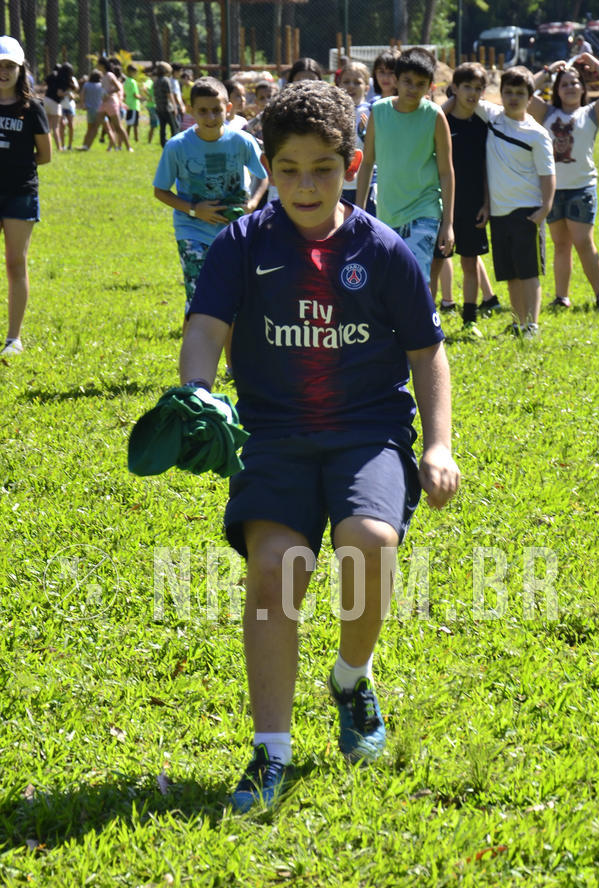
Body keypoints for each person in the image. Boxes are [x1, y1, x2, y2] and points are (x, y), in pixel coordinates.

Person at [179, 80, 460, 812]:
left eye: (324, 168)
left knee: (368, 541)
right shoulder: (243, 244)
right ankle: (269, 755)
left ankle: (350, 679)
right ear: (265, 168)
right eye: (290, 169)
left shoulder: (382, 248)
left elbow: (429, 352)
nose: (307, 185)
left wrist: (438, 445)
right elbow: (206, 326)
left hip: (368, 432)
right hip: (274, 435)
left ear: (352, 162)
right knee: (275, 569)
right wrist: (199, 390)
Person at [446, 66, 555, 336]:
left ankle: (532, 325)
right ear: (500, 94)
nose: (514, 98)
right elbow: (456, 99)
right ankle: (518, 323)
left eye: (520, 93)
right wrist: (436, 111)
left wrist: (545, 208)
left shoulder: (537, 134)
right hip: (498, 212)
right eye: (508, 92)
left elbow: (548, 175)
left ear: (531, 98)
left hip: (527, 211)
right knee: (510, 272)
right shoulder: (492, 115)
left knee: (529, 271)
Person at [153, 76, 268, 318]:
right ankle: (195, 355)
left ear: (228, 109)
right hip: (192, 231)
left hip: (234, 231)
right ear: (190, 110)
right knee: (198, 300)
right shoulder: (177, 146)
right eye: (203, 111)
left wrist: (254, 202)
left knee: (236, 301)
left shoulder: (241, 141)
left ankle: (234, 357)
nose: (210, 117)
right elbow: (160, 191)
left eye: (216, 110)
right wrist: (195, 209)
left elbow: (264, 174)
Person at [356, 47, 454, 281]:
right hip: (387, 213)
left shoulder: (435, 115)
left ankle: (423, 318)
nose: (413, 88)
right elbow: (367, 162)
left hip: (425, 210)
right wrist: (358, 213)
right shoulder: (378, 112)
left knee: (416, 277)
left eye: (420, 84)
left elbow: (446, 172)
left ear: (430, 85)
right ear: (396, 80)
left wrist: (448, 223)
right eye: (407, 81)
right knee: (391, 279)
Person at [529, 56, 599, 310]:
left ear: (584, 87)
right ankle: (561, 297)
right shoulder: (547, 113)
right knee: (561, 245)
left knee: (583, 243)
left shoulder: (591, 113)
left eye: (575, 83)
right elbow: (525, 90)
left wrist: (594, 62)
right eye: (564, 84)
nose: (570, 87)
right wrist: (548, 71)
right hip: (554, 190)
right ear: (556, 90)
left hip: (581, 189)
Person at [430, 63, 491, 334]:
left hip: (473, 203)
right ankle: (427, 319)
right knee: (436, 262)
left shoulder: (483, 124)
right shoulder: (441, 119)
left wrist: (487, 203)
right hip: (441, 203)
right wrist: (447, 105)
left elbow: (488, 168)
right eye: (466, 87)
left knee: (470, 262)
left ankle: (470, 319)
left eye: (478, 88)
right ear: (454, 88)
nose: (472, 93)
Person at [0, 36, 51, 356]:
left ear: (21, 70)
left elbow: (44, 155)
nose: (3, 72)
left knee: (15, 263)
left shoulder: (32, 108)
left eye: (9, 66)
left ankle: (12, 338)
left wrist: (15, 164)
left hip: (20, 194)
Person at [338, 60, 375, 213]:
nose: (351, 86)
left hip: (366, 184)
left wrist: (363, 134)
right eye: (346, 81)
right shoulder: (334, 111)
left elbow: (375, 149)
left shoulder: (371, 111)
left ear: (366, 88)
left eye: (357, 82)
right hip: (339, 184)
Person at [97, 56, 133, 152]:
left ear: (102, 65)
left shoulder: (109, 75)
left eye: (98, 64)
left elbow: (118, 87)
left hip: (111, 102)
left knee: (118, 127)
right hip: (104, 102)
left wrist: (107, 93)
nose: (97, 66)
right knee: (99, 121)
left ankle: (128, 147)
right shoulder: (103, 76)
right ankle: (111, 143)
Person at [154, 61, 178, 147]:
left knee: (162, 127)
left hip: (159, 108)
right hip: (168, 108)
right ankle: (174, 143)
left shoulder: (156, 81)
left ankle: (163, 143)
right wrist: (175, 107)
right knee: (174, 126)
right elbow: (169, 95)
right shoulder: (166, 80)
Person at [123, 64, 142, 142]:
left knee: (129, 124)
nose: (136, 74)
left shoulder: (126, 81)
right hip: (134, 106)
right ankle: (136, 139)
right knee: (135, 125)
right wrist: (142, 97)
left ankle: (126, 137)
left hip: (128, 105)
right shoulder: (133, 82)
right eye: (135, 72)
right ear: (131, 72)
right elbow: (135, 95)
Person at [142, 65, 158, 144]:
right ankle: (150, 141)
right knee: (154, 124)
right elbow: (144, 88)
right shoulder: (150, 81)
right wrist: (149, 96)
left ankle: (150, 141)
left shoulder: (155, 82)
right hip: (151, 106)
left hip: (154, 105)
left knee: (155, 124)